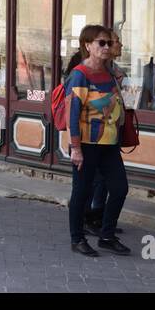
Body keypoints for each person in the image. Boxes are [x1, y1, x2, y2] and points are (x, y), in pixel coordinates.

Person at [66, 24, 131, 257]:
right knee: (81, 192)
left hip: (109, 144)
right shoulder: (79, 75)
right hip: (86, 145)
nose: (106, 47)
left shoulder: (110, 73)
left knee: (120, 188)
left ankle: (106, 235)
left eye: (108, 43)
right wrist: (75, 148)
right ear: (88, 46)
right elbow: (71, 114)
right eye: (100, 43)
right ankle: (77, 239)